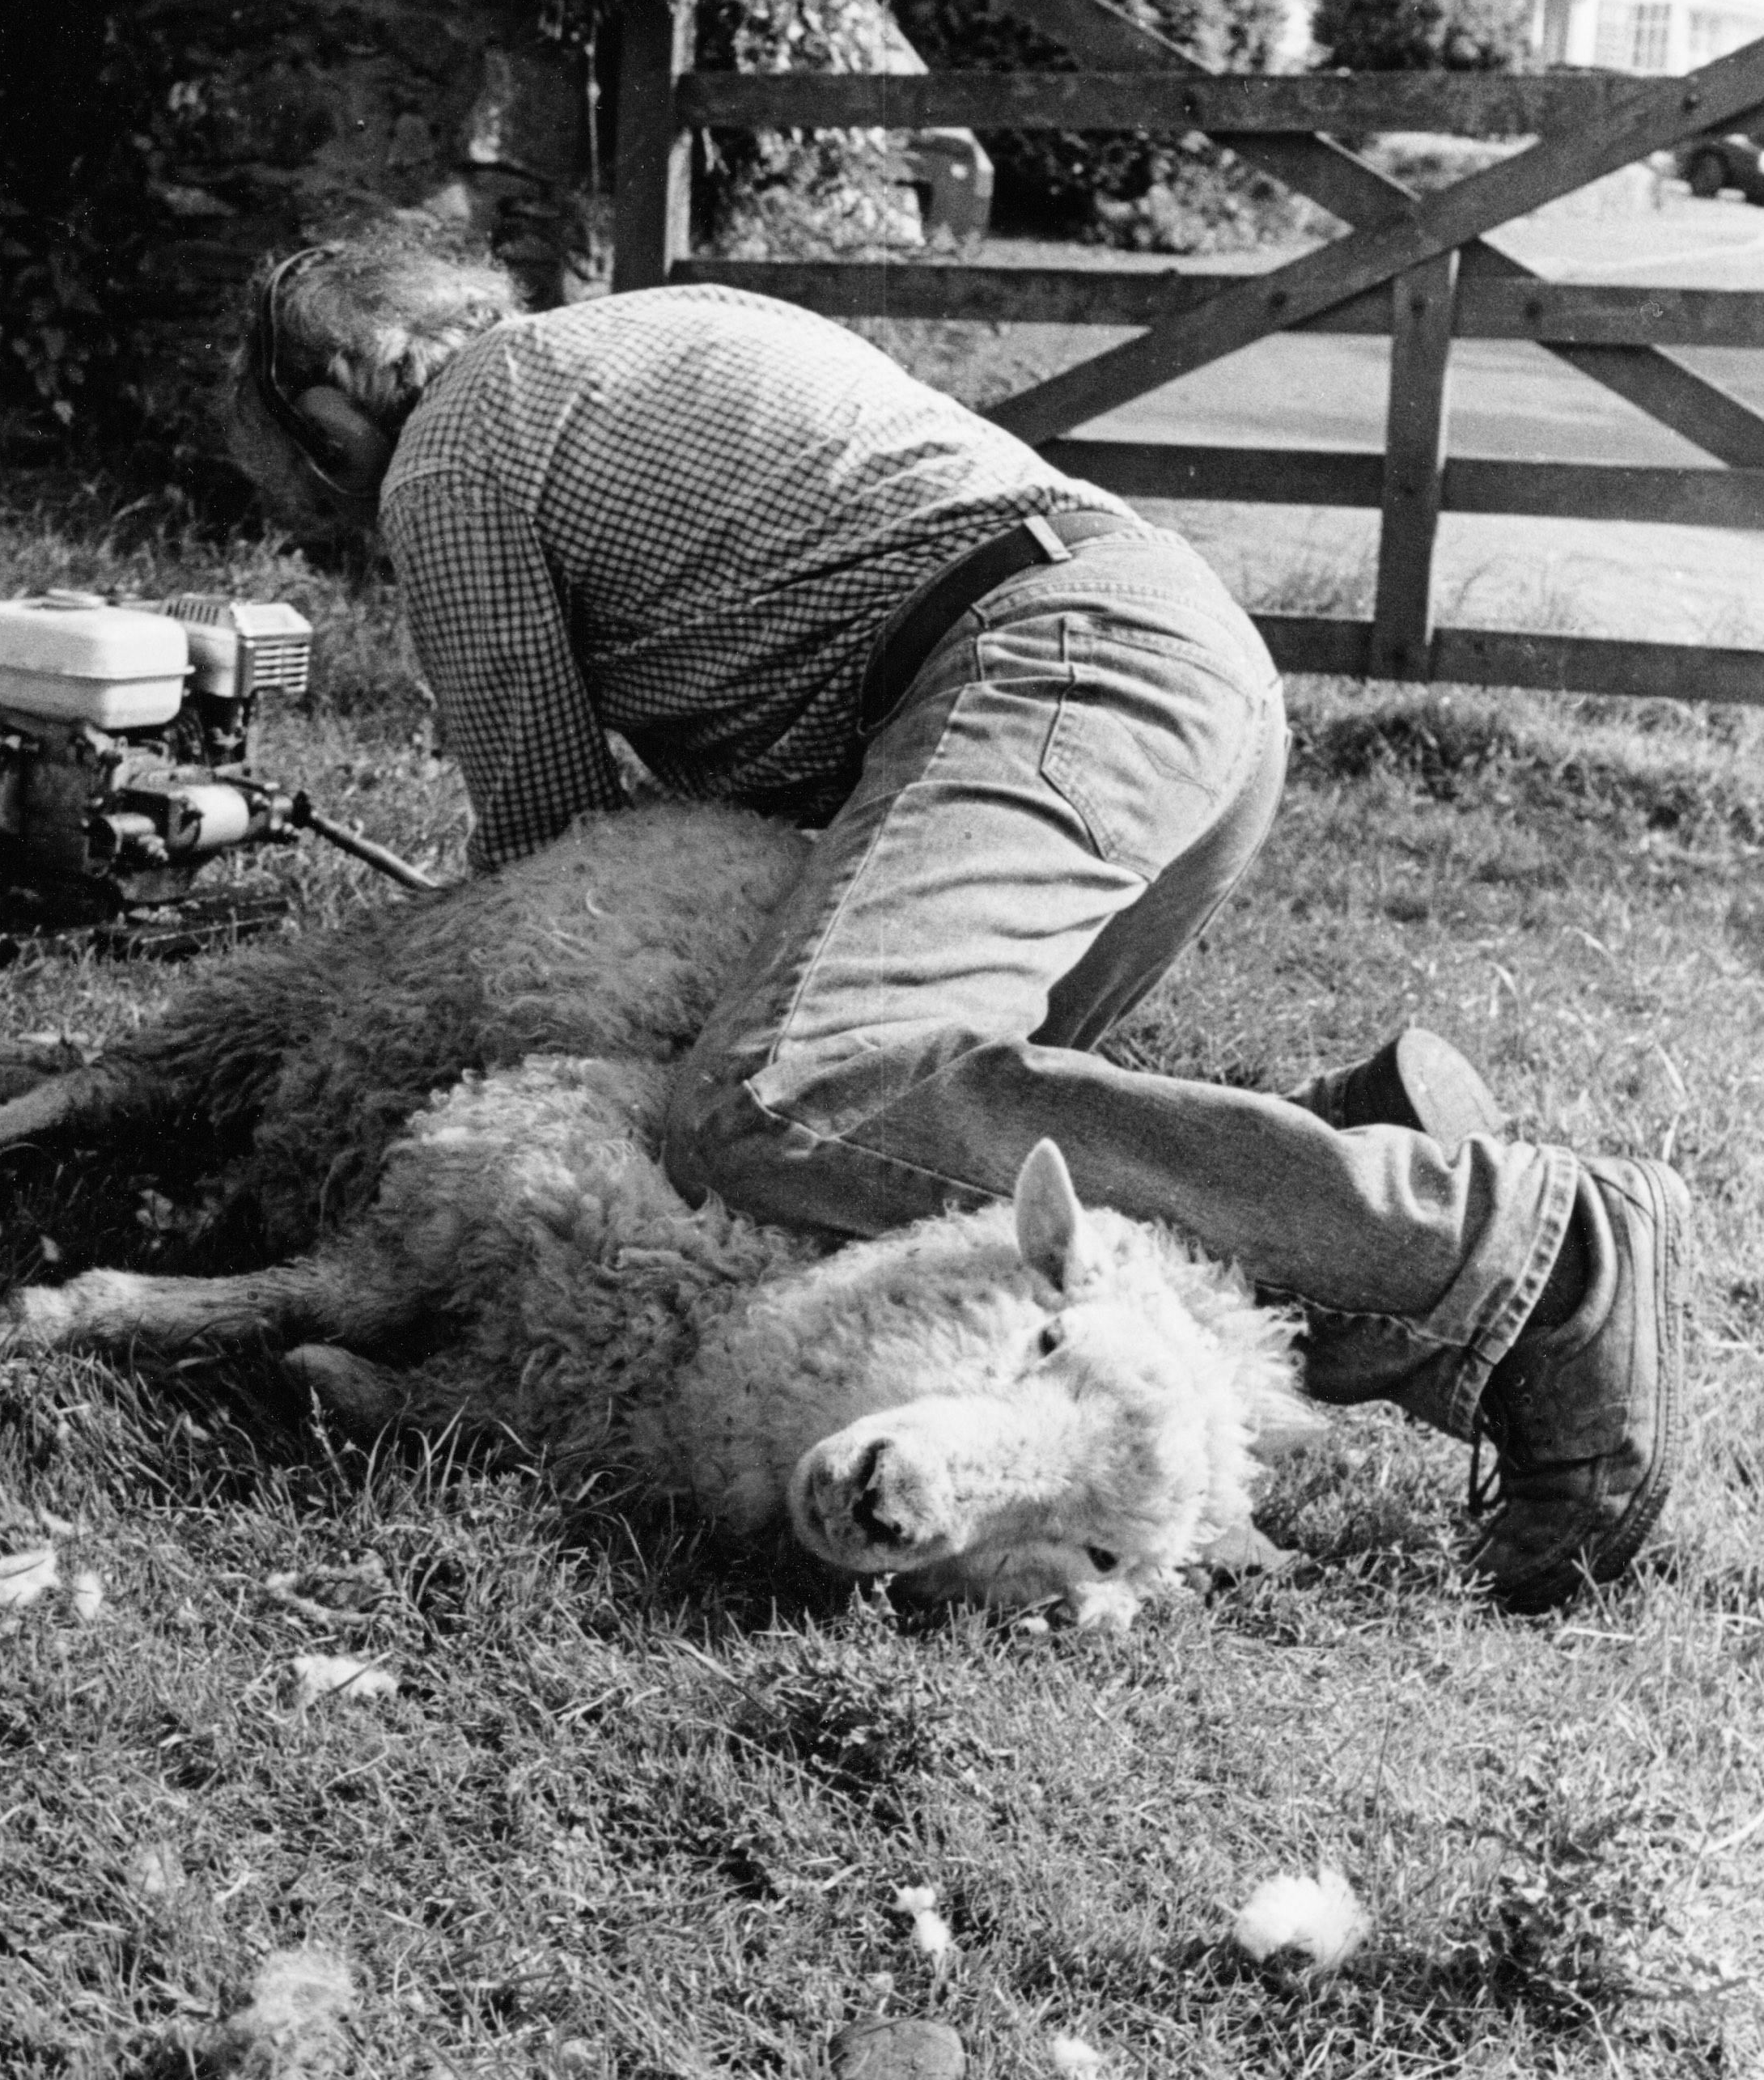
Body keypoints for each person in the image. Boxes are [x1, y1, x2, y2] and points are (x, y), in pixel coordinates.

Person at [225, 217, 1689, 1617]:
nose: (343, 504)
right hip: (1173, 657)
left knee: (782, 1103)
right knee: (930, 1156)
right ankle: (1349, 1148)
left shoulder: (448, 455)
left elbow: (554, 834)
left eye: (316, 469)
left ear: (334, 387)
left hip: (1042, 674)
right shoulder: (659, 328)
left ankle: (1528, 1247)